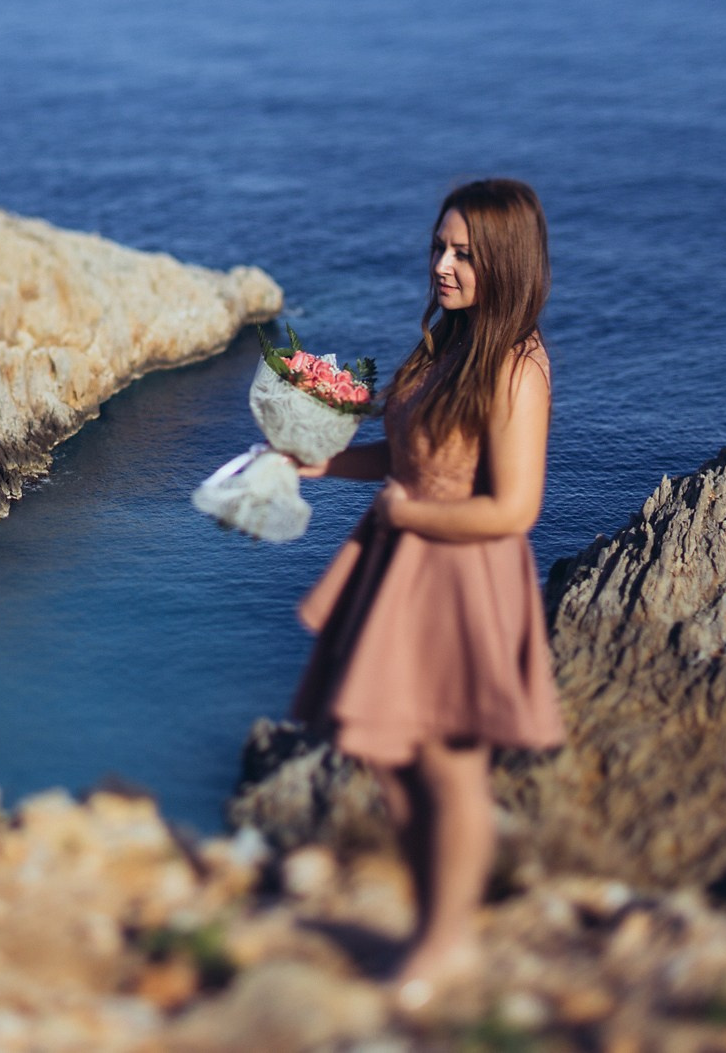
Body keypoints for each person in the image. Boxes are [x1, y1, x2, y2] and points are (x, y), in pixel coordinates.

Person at [290, 177, 565, 1010]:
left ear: (506, 262)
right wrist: (325, 462)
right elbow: (412, 457)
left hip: (460, 576)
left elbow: (516, 509)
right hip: (404, 562)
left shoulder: (517, 367)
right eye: (439, 247)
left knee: (449, 767)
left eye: (464, 254)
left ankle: (447, 945)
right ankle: (432, 924)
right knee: (386, 751)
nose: (442, 265)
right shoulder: (450, 344)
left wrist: (411, 514)